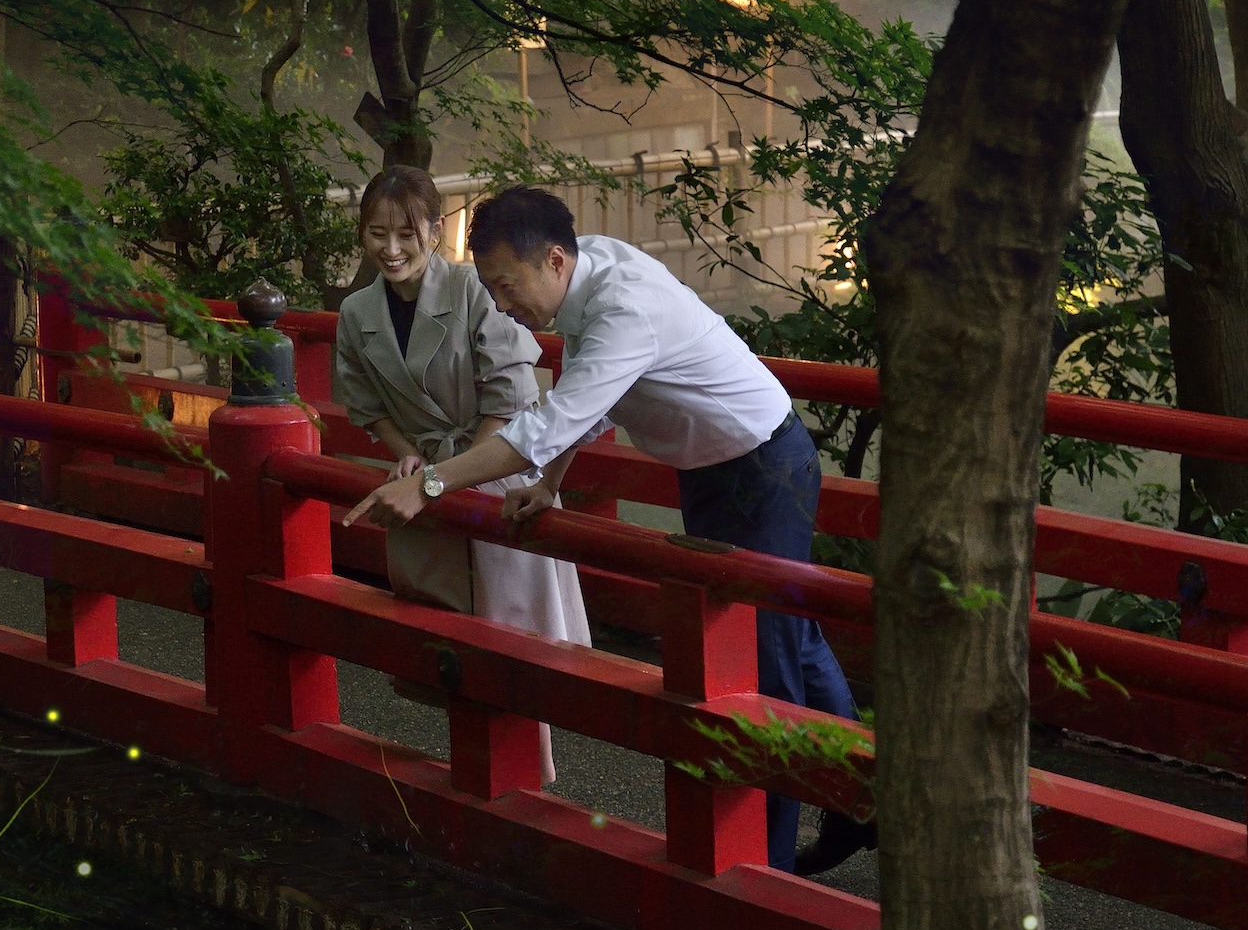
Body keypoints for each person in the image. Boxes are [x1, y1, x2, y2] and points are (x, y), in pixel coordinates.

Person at [341, 185, 873, 875]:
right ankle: (860, 798)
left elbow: (544, 422)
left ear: (554, 260)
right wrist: (551, 484)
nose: (503, 304)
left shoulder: (622, 307)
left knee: (764, 665)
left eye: (507, 285)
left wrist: (431, 483)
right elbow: (583, 400)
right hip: (714, 466)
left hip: (762, 465)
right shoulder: (593, 276)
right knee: (786, 638)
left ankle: (766, 863)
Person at [332, 168, 591, 783]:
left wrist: (448, 475)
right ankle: (478, 771)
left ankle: (525, 776)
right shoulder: (356, 311)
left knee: (510, 631)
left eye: (406, 233)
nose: (391, 249)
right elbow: (366, 406)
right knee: (448, 634)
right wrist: (409, 455)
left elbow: (510, 399)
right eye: (377, 234)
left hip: (494, 468)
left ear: (434, 229)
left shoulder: (478, 289)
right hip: (423, 477)